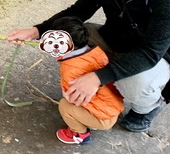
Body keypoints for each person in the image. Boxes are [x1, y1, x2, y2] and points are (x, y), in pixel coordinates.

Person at [7, 0, 170, 132]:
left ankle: (146, 107)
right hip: (115, 36)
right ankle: (109, 81)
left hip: (154, 53)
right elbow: (80, 9)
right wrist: (38, 30)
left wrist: (97, 77)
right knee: (65, 36)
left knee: (136, 86)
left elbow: (151, 51)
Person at [49, 16, 124, 145]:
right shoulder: (96, 51)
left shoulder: (70, 70)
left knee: (65, 106)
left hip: (104, 117)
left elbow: (72, 97)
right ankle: (89, 120)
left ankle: (79, 134)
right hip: (114, 105)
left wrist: (66, 93)